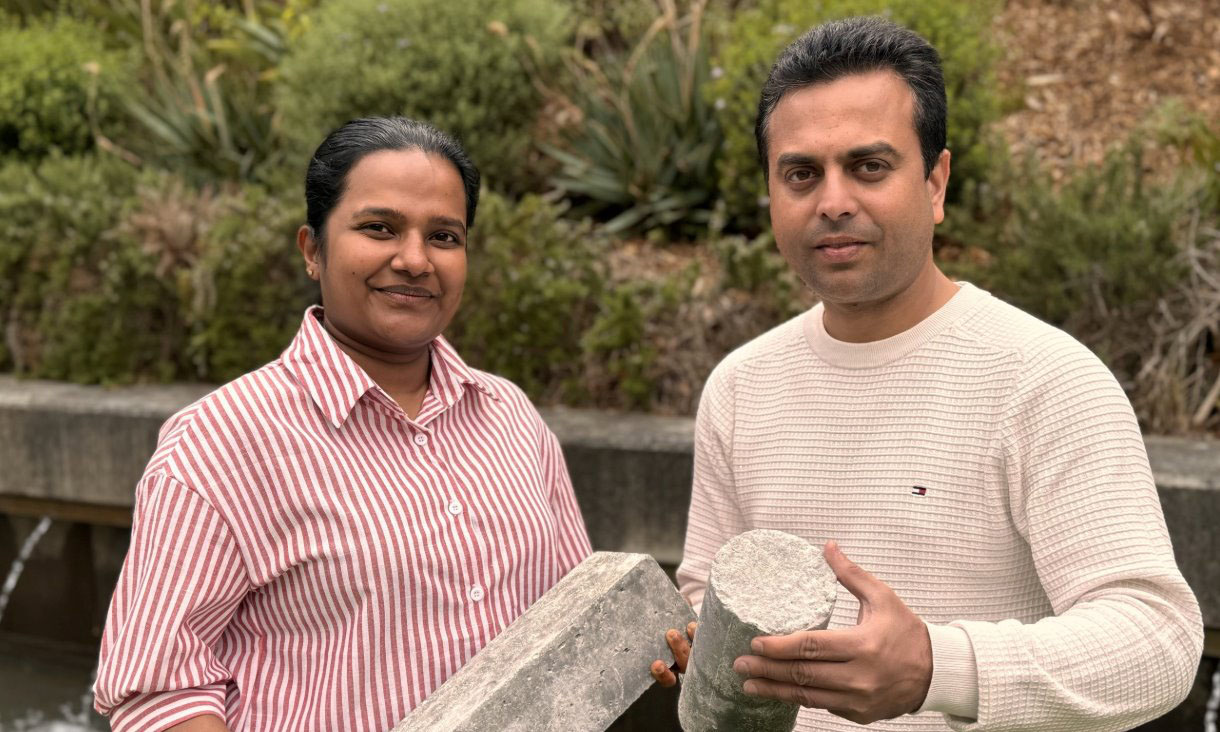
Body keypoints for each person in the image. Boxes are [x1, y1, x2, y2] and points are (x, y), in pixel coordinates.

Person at [651, 16, 1203, 731]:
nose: (833, 200)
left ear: (936, 182)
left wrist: (937, 669)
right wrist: (702, 638)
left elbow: (1158, 639)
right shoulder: (739, 386)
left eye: (869, 166)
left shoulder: (1045, 381)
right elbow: (705, 585)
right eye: (801, 173)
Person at [94, 117, 592, 732]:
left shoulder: (509, 415)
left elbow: (580, 617)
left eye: (444, 236)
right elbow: (159, 692)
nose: (414, 260)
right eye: (379, 228)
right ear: (312, 249)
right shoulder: (220, 442)